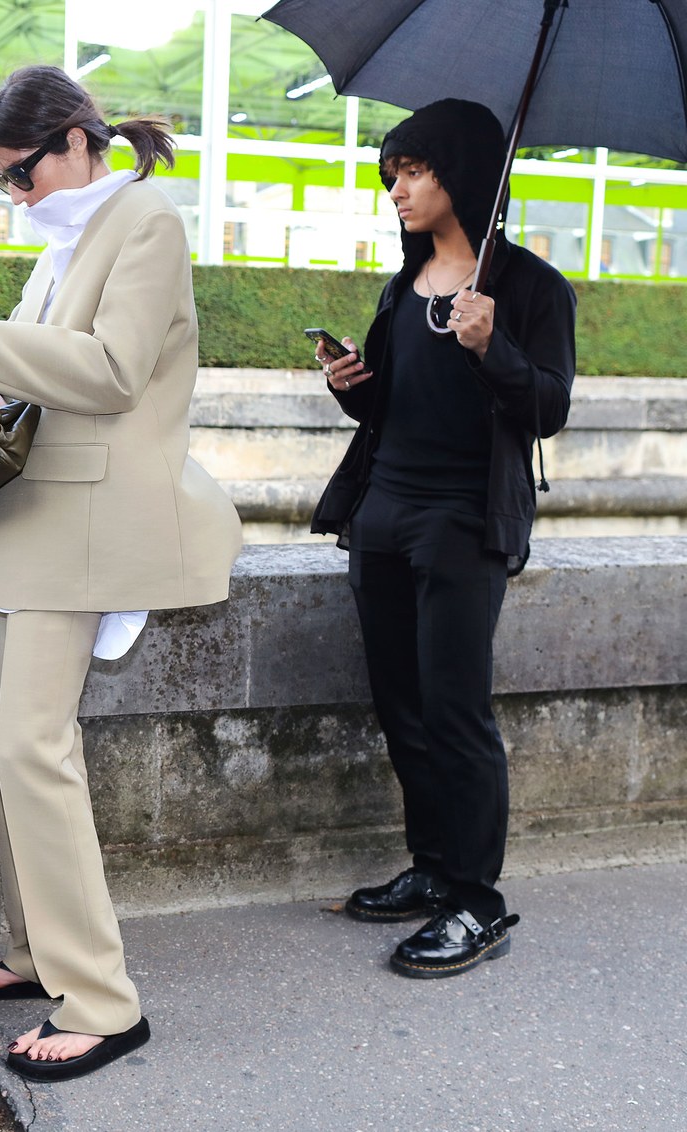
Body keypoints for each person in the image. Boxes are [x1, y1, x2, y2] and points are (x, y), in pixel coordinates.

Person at [0, 65, 242, 1081]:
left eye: (21, 173)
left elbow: (110, 370)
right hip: (41, 520)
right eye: (3, 183)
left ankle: (102, 999)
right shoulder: (72, 232)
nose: (16, 195)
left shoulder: (141, 218)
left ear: (73, 140)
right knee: (27, 747)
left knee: (33, 751)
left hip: (88, 523)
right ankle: (34, 952)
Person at [312, 99, 575, 978]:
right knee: (400, 703)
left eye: (413, 172)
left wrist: (493, 345)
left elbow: (548, 410)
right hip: (384, 511)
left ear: (460, 176)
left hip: (465, 520)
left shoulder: (532, 289)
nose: (397, 190)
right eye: (392, 175)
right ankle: (431, 869)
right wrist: (352, 384)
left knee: (457, 713)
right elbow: (391, 403)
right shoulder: (407, 280)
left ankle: (477, 901)